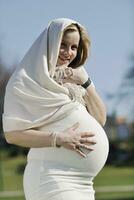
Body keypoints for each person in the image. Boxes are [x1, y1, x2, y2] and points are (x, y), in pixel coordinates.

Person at [3, 18, 109, 200]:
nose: (68, 53)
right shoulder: (26, 81)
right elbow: (12, 134)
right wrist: (58, 138)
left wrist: (86, 83)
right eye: (63, 45)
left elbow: (100, 120)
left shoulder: (77, 80)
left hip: (84, 182)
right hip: (52, 177)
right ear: (50, 43)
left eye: (74, 47)